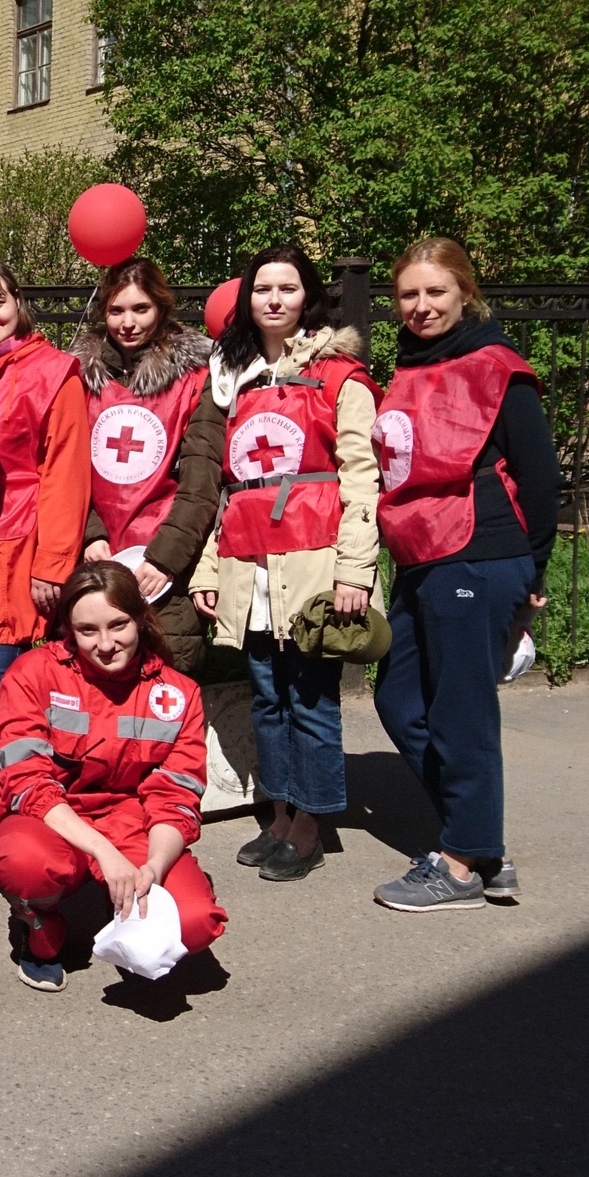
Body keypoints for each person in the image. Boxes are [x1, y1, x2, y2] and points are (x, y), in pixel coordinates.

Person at [369, 238, 560, 911]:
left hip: (479, 551)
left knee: (461, 712)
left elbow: (539, 477)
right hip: (422, 549)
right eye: (409, 295)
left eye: (435, 292)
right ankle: (481, 842)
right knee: (398, 697)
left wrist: (534, 570)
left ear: (464, 293)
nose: (421, 306)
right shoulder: (411, 364)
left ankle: (459, 865)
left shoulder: (496, 366)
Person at [191, 246, 380, 883]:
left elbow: (360, 478)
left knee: (311, 699)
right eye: (262, 288)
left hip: (314, 562)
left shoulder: (340, 376)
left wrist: (355, 571)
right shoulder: (235, 381)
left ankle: (311, 824)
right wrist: (209, 571)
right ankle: (278, 811)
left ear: (309, 296)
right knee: (267, 698)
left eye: (288, 288)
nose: (274, 299)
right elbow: (231, 489)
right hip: (251, 566)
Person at [0, 560, 226, 992]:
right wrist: (104, 853)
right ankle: (41, 928)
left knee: (193, 924)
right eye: (88, 631)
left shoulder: (177, 694)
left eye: (119, 625)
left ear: (140, 618)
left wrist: (152, 868)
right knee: (23, 862)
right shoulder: (33, 673)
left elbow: (176, 796)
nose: (106, 644)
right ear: (68, 630)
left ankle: (126, 913)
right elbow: (27, 783)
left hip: (133, 822)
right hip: (54, 816)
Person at [0, 260, 90, 844]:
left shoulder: (55, 373)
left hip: (19, 546)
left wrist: (53, 563)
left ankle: (11, 791)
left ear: (19, 305)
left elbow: (65, 473)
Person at [72, 257, 222, 672]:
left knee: (166, 683)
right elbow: (65, 469)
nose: (128, 322)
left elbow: (201, 478)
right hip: (95, 556)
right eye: (117, 310)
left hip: (162, 563)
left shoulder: (196, 378)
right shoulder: (78, 377)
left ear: (161, 307)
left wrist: (164, 558)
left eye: (141, 309)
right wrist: (89, 534)